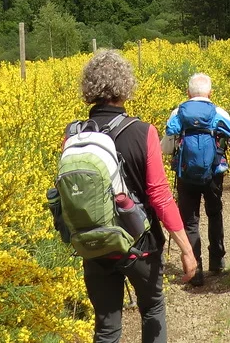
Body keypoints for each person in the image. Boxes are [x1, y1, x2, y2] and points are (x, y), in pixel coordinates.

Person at [76, 50, 197, 343]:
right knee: (152, 310)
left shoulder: (76, 134)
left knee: (106, 328)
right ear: (126, 86)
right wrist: (186, 247)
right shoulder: (142, 132)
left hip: (94, 244)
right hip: (138, 245)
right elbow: (160, 196)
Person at [161, 73, 230, 286]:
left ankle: (196, 269)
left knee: (190, 220)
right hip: (214, 173)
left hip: (185, 174)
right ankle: (217, 261)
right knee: (214, 213)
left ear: (187, 93)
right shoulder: (219, 113)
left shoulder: (177, 113)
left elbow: (165, 149)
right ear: (210, 93)